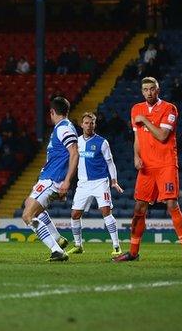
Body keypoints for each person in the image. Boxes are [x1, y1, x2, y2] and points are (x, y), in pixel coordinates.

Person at [114, 77, 182, 263]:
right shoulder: (136, 109)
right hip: (147, 167)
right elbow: (137, 138)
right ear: (142, 91)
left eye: (152, 89)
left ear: (158, 90)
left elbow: (163, 136)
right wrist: (136, 156)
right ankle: (133, 252)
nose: (149, 92)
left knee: (171, 205)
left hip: (166, 164)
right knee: (138, 207)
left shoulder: (169, 108)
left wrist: (145, 120)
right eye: (145, 89)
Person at [21, 97, 79, 262]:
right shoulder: (61, 128)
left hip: (53, 180)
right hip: (47, 178)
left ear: (52, 112)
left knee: (28, 216)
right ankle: (58, 238)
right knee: (29, 203)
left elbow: (74, 153)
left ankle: (57, 250)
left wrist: (66, 181)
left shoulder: (64, 128)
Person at [66, 112, 124, 258]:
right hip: (83, 184)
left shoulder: (102, 142)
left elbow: (110, 162)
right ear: (81, 125)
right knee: (74, 215)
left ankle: (116, 246)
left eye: (91, 123)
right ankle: (78, 246)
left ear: (95, 124)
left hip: (100, 182)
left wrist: (114, 181)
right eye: (86, 123)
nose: (89, 125)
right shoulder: (76, 142)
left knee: (106, 212)